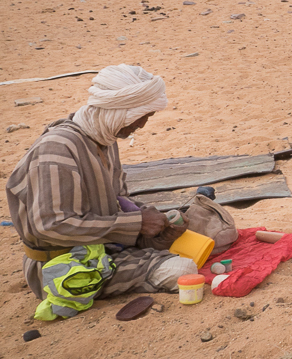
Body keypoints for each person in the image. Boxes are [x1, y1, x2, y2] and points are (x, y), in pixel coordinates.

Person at [7, 65, 198, 311]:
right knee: (182, 269)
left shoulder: (105, 140)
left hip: (103, 248)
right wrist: (137, 223)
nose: (141, 125)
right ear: (121, 111)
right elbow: (51, 226)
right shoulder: (57, 149)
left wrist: (157, 221)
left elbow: (119, 202)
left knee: (203, 226)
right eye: (142, 116)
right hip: (64, 266)